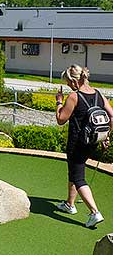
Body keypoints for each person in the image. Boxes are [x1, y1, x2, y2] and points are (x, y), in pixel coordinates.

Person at [55, 64, 113, 228]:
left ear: (74, 81)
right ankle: (69, 204)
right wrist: (106, 136)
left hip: (77, 143)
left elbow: (61, 119)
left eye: (67, 82)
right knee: (74, 171)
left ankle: (95, 213)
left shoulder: (74, 96)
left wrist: (59, 102)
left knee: (78, 177)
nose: (67, 85)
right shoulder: (99, 94)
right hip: (92, 141)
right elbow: (111, 115)